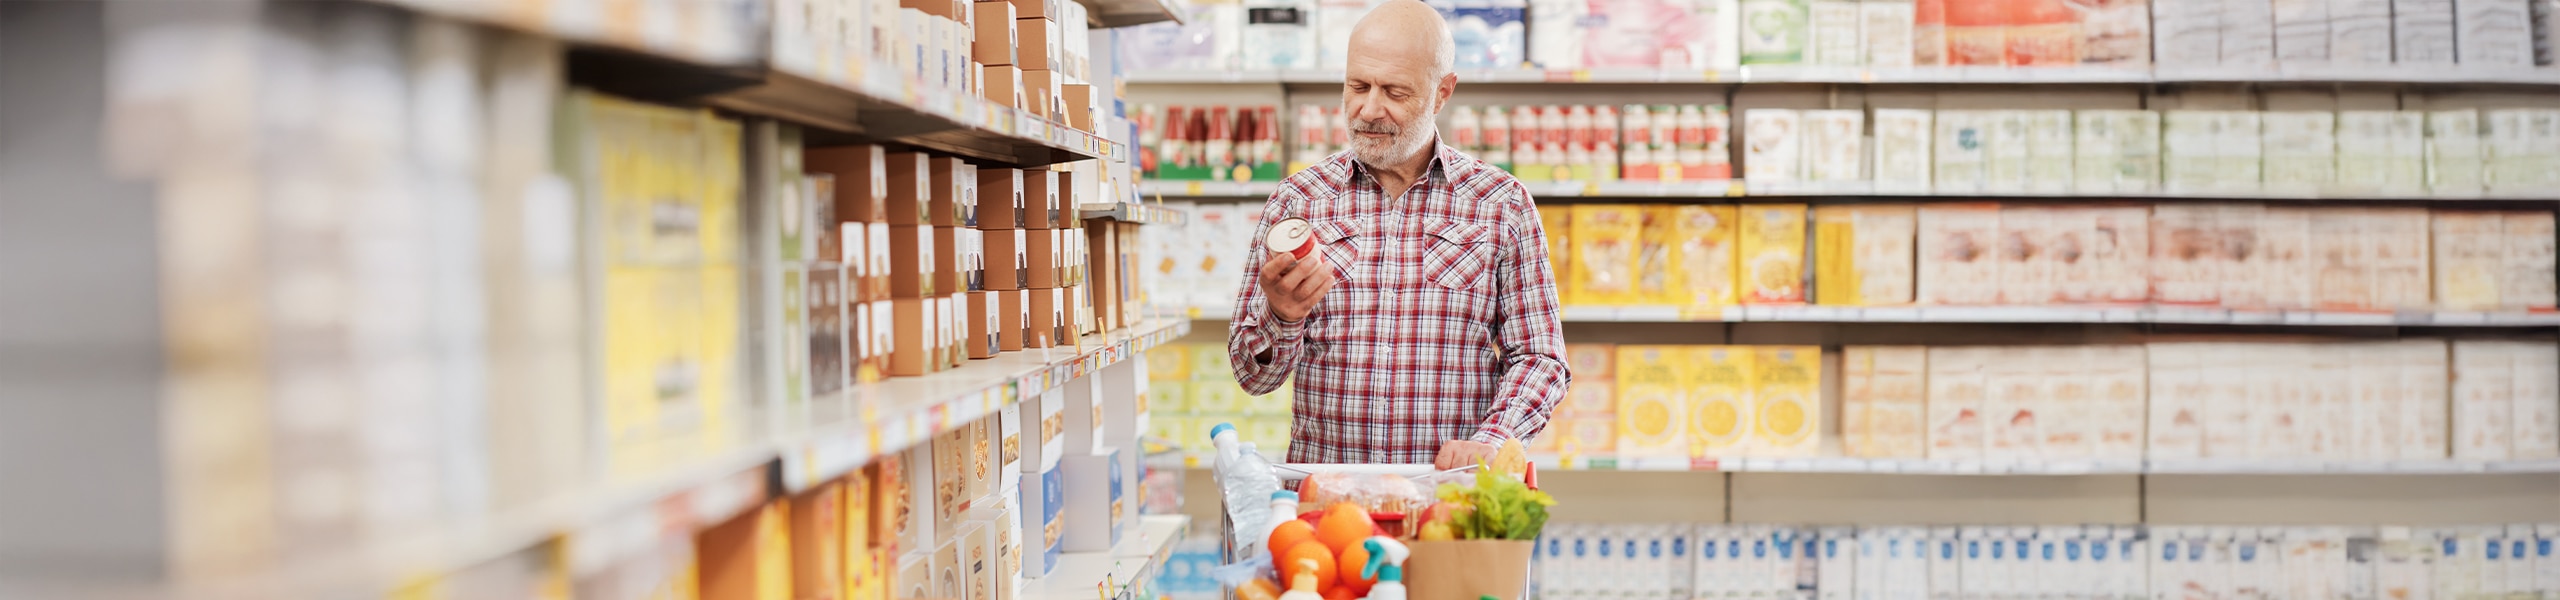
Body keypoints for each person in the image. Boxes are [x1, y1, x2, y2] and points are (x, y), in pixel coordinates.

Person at [1223, 0, 1569, 470]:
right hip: (1327, 502)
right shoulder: (1297, 202)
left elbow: (1540, 356)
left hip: (1446, 499)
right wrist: (1281, 317)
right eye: (1357, 86)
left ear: (1442, 92)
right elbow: (1253, 377)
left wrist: (1494, 437)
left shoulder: (1500, 203)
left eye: (1395, 92)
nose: (1369, 109)